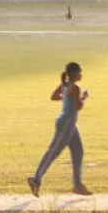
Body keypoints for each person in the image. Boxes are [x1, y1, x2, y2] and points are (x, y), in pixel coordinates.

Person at [27, 62, 92, 197]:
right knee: (53, 151)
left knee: (78, 152)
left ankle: (77, 185)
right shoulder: (75, 88)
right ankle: (36, 179)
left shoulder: (65, 84)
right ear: (74, 73)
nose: (81, 74)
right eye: (80, 72)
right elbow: (78, 107)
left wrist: (66, 98)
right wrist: (84, 97)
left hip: (70, 124)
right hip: (66, 124)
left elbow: (54, 96)